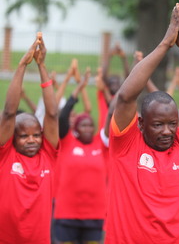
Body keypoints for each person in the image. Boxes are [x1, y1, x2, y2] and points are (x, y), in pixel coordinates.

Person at [104, 3, 179, 243]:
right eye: (158, 125)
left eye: (173, 123)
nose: (167, 131)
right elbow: (125, 97)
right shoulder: (125, 144)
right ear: (141, 123)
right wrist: (165, 44)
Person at [0, 33, 59, 243]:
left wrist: (42, 66)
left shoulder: (48, 155)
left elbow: (52, 114)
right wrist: (22, 65)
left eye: (36, 135)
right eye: (23, 136)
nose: (32, 140)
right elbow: (8, 112)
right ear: (12, 139)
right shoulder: (5, 156)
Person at [53, 69, 108, 244]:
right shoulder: (67, 142)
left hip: (95, 216)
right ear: (75, 129)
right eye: (83, 125)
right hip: (66, 214)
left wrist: (102, 92)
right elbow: (61, 117)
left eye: (90, 125)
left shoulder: (101, 143)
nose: (87, 129)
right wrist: (78, 89)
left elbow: (108, 116)